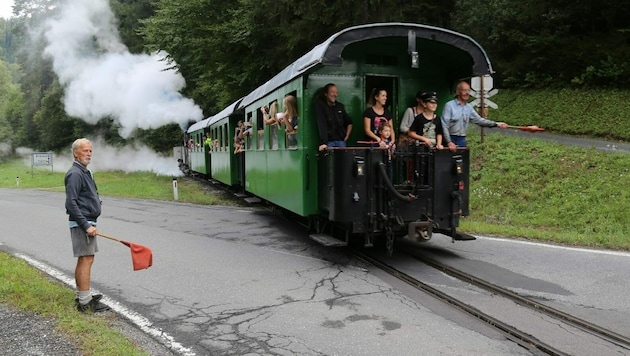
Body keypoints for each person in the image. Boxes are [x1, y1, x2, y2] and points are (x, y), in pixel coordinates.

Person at [64, 138, 110, 313]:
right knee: (86, 259)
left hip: (88, 221)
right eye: (85, 151)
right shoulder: (75, 173)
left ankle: (82, 296)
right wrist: (86, 225)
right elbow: (71, 203)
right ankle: (85, 302)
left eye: (90, 151)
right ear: (75, 153)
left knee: (85, 258)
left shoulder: (84, 171)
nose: (89, 154)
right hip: (83, 223)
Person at [442, 81, 508, 151]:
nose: (467, 93)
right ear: (458, 92)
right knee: (448, 160)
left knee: (461, 160)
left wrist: (496, 124)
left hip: (462, 139)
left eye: (468, 90)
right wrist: (449, 142)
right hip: (450, 138)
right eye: (464, 90)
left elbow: (479, 120)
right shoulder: (449, 106)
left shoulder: (469, 107)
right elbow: (444, 125)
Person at [316, 83, 353, 151]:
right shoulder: (321, 107)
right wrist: (324, 143)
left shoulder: (340, 106)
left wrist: (347, 136)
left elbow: (349, 122)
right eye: (332, 92)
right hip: (329, 143)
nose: (335, 94)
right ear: (326, 93)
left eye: (336, 92)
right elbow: (322, 125)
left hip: (341, 142)